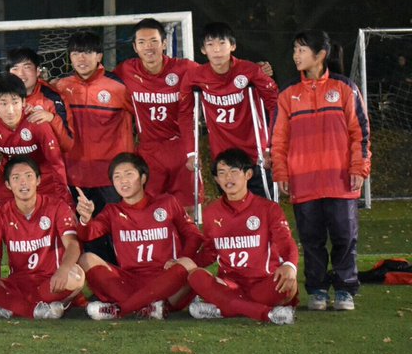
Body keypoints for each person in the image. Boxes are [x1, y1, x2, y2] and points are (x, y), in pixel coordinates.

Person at [270, 30, 371, 312]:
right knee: (311, 240)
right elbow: (278, 139)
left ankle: (344, 290)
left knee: (344, 237)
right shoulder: (288, 94)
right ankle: (316, 290)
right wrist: (281, 173)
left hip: (340, 180)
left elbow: (360, 133)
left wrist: (359, 167)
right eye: (294, 50)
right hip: (303, 182)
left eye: (301, 50)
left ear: (321, 54)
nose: (295, 55)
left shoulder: (344, 88)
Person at [76, 153, 202, 320]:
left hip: (165, 279)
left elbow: (194, 235)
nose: (123, 181)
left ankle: (120, 309)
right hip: (130, 281)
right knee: (86, 259)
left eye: (129, 174)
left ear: (143, 178)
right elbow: (88, 234)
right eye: (117, 176)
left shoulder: (167, 203)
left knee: (188, 264)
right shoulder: (113, 211)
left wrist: (181, 259)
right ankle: (148, 308)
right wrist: (85, 219)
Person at [180, 149, 298, 325]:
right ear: (216, 180)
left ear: (248, 174)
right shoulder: (212, 212)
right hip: (230, 284)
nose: (228, 178)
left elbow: (285, 242)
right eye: (222, 173)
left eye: (234, 171)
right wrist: (188, 262)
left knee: (284, 285)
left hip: (263, 283)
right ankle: (266, 314)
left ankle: (223, 309)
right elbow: (211, 252)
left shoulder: (268, 209)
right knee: (196, 277)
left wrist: (290, 265)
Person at [0, 157, 85, 320]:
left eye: (29, 176)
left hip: (50, 281)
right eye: (16, 178)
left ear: (38, 180)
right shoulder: (0, 214)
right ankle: (39, 310)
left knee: (76, 276)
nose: (23, 182)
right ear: (8, 185)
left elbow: (72, 244)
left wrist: (64, 269)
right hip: (17, 283)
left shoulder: (57, 206)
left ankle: (8, 307)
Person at [179, 22, 279, 199]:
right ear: (203, 50)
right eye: (210, 45)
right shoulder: (196, 77)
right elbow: (186, 114)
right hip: (222, 154)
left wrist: (272, 146)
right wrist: (191, 153)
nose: (217, 50)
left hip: (255, 152)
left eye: (222, 43)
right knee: (231, 207)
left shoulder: (250, 70)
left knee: (263, 207)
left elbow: (275, 105)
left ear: (232, 46)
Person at [114, 18, 199, 204]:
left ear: (164, 44)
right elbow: (100, 81)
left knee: (188, 209)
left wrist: (252, 70)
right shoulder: (126, 70)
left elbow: (215, 73)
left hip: (181, 147)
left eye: (154, 41)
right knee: (151, 207)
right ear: (135, 47)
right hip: (148, 150)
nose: (148, 47)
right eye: (142, 42)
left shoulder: (184, 68)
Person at [54, 32, 134, 216]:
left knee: (113, 233)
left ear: (99, 56)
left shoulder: (119, 87)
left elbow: (142, 118)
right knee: (80, 233)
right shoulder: (60, 87)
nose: (81, 58)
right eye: (75, 53)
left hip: (111, 176)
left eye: (87, 52)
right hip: (74, 176)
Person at [0, 73, 69, 210]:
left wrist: (65, 201)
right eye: (3, 103)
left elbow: (56, 163)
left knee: (53, 214)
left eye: (15, 102)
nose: (10, 110)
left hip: (44, 176)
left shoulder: (37, 123)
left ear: (24, 102)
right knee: (0, 215)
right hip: (12, 176)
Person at [4, 47, 74, 152]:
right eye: (15, 68)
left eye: (26, 67)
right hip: (13, 165)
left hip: (45, 165)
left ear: (37, 71)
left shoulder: (53, 98)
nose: (20, 74)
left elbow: (68, 145)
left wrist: (52, 119)